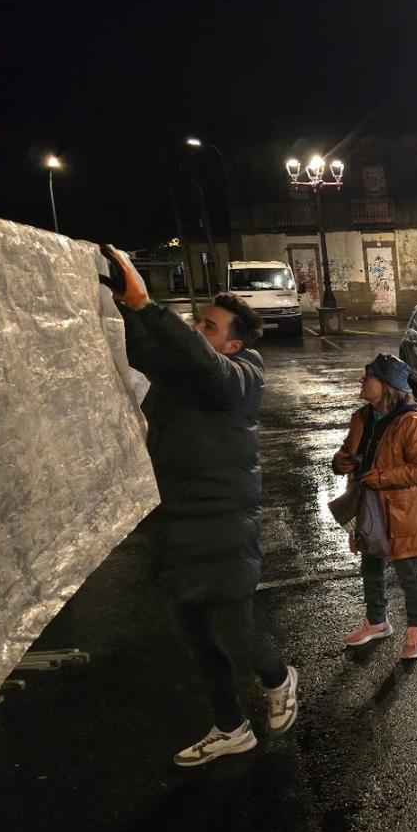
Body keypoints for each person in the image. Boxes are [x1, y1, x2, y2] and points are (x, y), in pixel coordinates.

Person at [107, 246, 298, 767]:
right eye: (197, 321)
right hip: (174, 521)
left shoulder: (243, 374)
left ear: (233, 344)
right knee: (194, 636)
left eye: (208, 327)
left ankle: (279, 678)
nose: (196, 329)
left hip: (224, 524)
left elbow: (205, 366)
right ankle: (231, 727)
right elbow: (144, 349)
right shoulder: (182, 371)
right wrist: (125, 305)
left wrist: (149, 307)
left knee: (237, 631)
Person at [332, 354, 417, 657]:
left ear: (387, 385)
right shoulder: (362, 417)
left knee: (409, 572)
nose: (362, 381)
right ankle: (377, 622)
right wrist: (340, 462)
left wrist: (383, 477)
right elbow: (347, 451)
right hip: (369, 506)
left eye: (368, 377)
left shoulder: (411, 422)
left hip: (403, 511)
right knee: (371, 566)